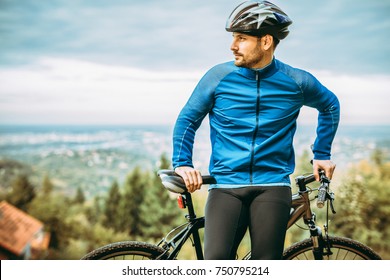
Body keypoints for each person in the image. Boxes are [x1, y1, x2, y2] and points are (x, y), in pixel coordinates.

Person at [172, 0, 340, 260]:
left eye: (241, 38)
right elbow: (188, 119)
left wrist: (322, 153)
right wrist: (182, 162)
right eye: (233, 38)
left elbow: (330, 105)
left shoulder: (296, 81)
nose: (233, 46)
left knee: (266, 266)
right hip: (225, 185)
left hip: (272, 185)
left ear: (265, 42)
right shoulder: (218, 77)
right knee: (215, 264)